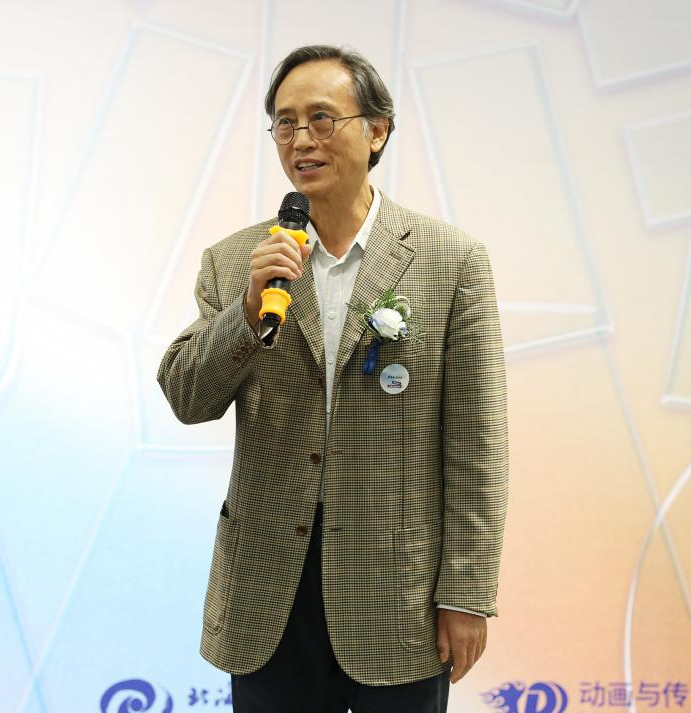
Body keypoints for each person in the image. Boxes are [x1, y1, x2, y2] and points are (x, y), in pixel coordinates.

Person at [157, 45, 508, 713]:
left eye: (322, 118)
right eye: (285, 123)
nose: (301, 140)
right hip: (267, 593)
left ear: (376, 130)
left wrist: (466, 592)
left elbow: (476, 442)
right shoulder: (237, 261)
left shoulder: (450, 260)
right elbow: (187, 397)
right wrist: (246, 312)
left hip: (398, 593)